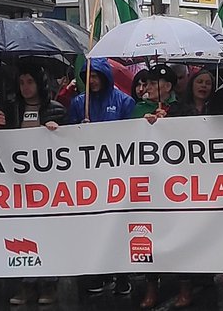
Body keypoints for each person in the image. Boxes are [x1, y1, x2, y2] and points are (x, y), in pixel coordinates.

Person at [67, 58, 136, 296]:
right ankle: (98, 272)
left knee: (117, 225)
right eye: (87, 77)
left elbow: (132, 135)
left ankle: (122, 274)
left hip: (117, 175)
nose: (92, 81)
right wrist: (79, 128)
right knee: (93, 225)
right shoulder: (78, 103)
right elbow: (68, 138)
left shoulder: (124, 101)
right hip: (89, 177)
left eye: (96, 76)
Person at [7, 67, 65, 306]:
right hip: (19, 184)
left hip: (49, 184)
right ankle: (27, 282)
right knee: (23, 231)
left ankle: (49, 282)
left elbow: (74, 142)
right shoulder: (12, 110)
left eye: (30, 81)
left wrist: (59, 131)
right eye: (21, 82)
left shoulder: (57, 110)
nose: (25, 87)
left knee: (48, 231)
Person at [139, 63, 194, 309]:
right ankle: (151, 287)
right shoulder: (138, 109)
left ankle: (184, 287)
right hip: (148, 184)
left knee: (178, 235)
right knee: (149, 236)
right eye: (147, 83)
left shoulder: (184, 110)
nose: (147, 87)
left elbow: (194, 136)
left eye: (153, 83)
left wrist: (169, 123)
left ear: (168, 86)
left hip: (176, 185)